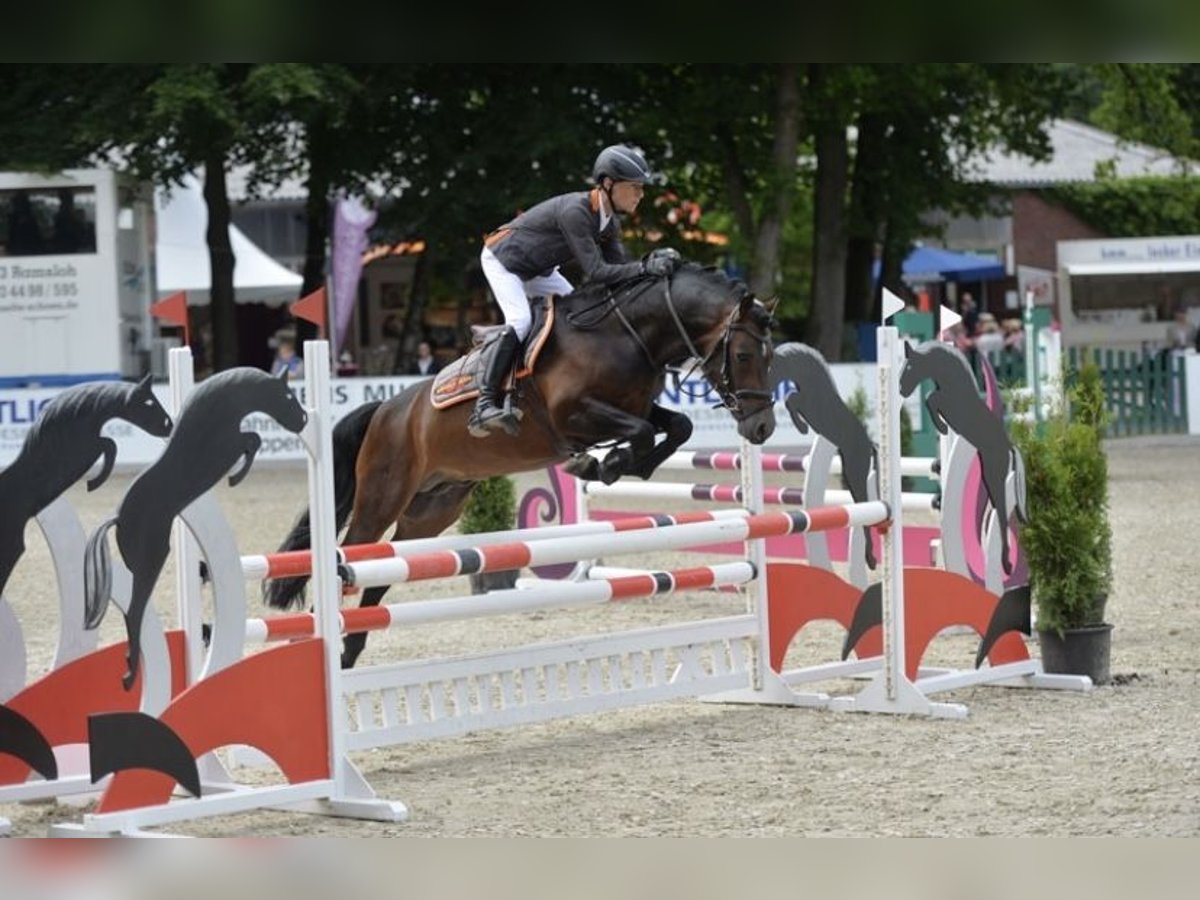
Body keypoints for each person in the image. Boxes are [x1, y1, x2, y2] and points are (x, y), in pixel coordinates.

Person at [468, 144, 681, 438]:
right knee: (520, 322)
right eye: (634, 187)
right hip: (504, 261)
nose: (640, 194)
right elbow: (597, 272)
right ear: (608, 184)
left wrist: (655, 279)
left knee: (580, 315)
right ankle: (484, 404)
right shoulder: (576, 211)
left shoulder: (608, 223)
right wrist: (646, 266)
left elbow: (616, 279)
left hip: (539, 270)